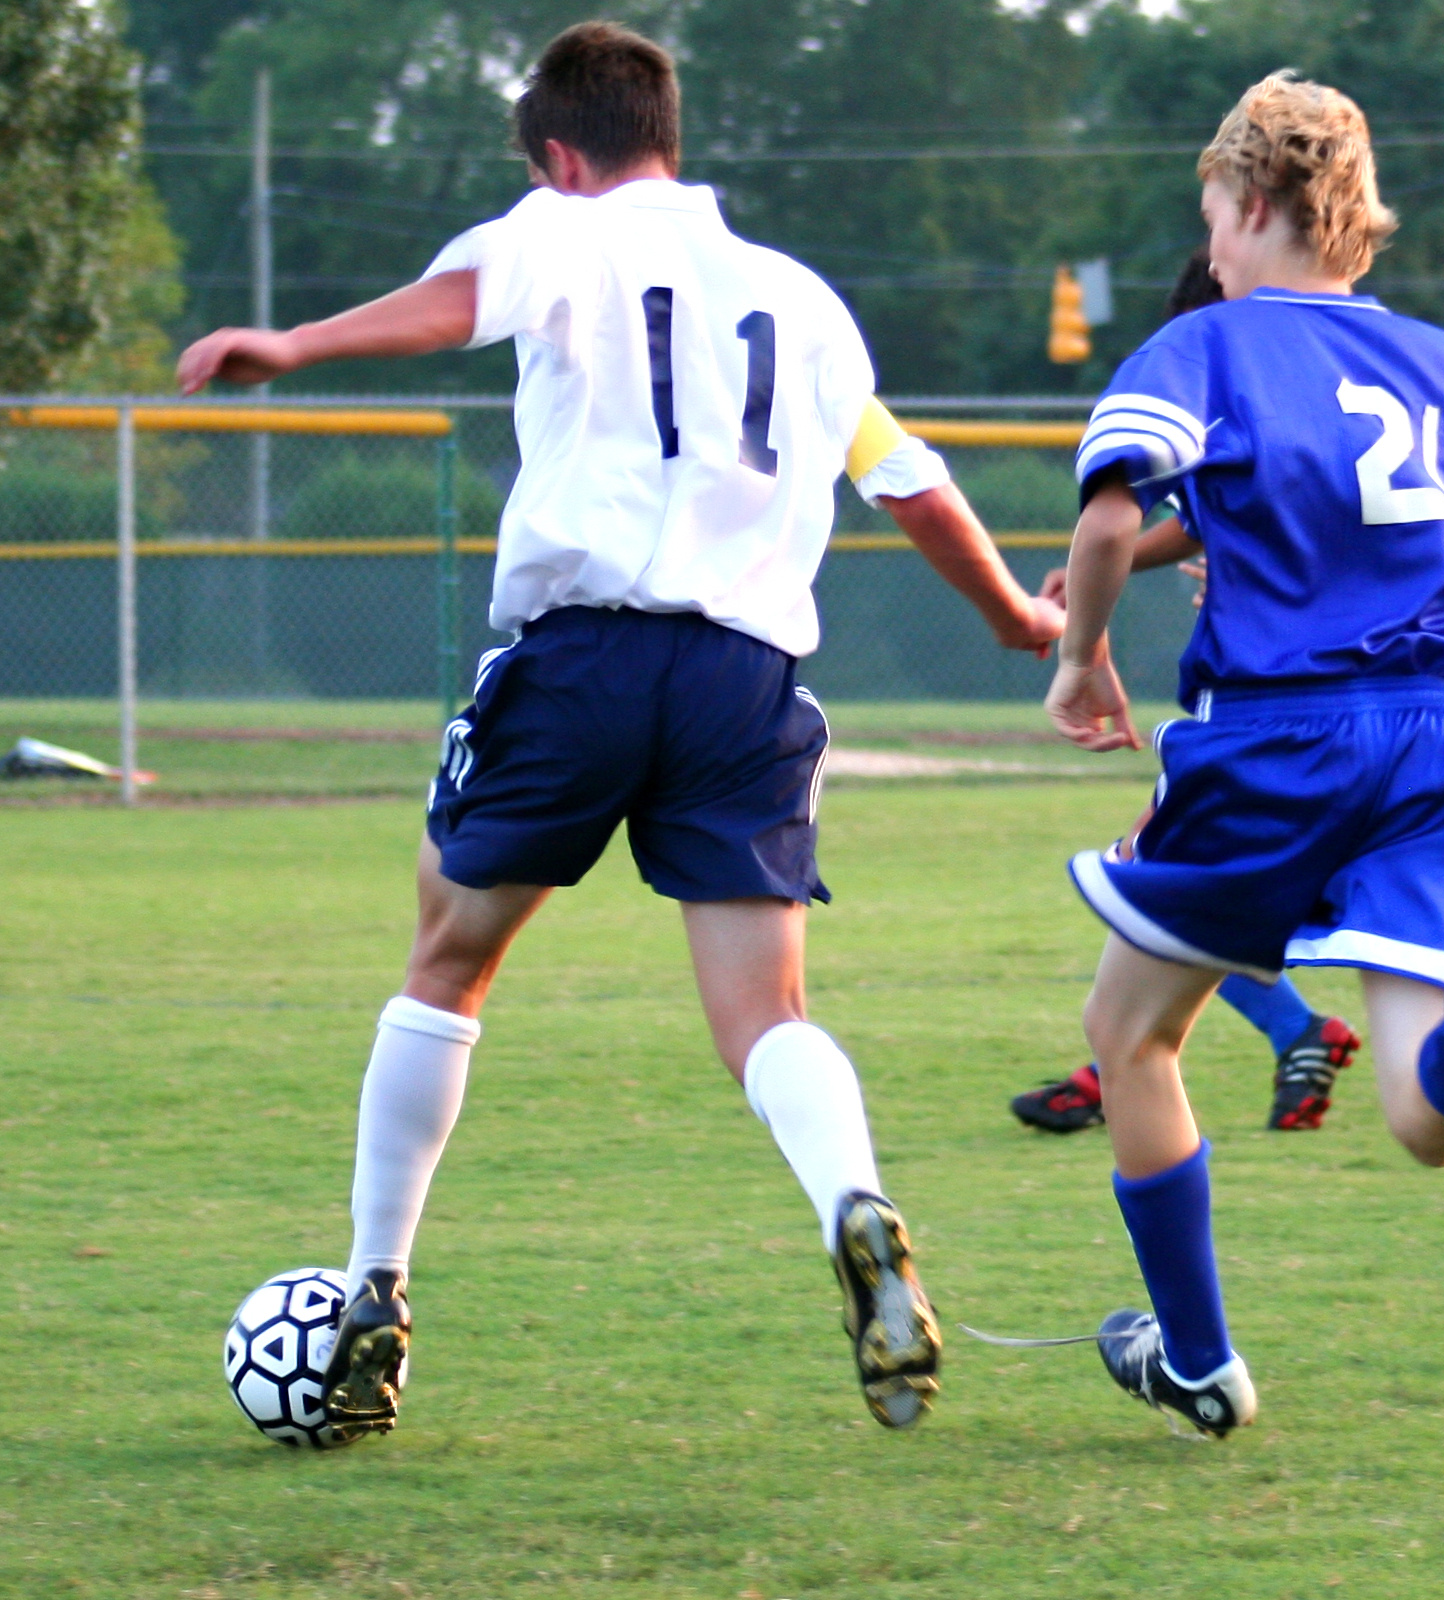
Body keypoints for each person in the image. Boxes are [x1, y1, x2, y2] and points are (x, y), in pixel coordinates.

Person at [177, 22, 1064, 1436]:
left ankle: (374, 1295)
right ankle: (856, 1204)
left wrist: (296, 340)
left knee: (448, 957)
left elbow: (463, 289)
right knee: (766, 1013)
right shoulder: (800, 299)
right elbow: (910, 486)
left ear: (560, 156)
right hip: (746, 681)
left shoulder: (564, 230)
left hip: (584, 655)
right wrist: (1022, 619)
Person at [1041, 70, 1444, 1439]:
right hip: (1441, 757)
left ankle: (1200, 1359)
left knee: (1129, 1032)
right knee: (1424, 1118)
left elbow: (1108, 528)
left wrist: (1075, 656)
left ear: (1255, 200)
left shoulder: (1207, 349)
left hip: (1279, 742)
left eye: (1214, 214)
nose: (1209, 247)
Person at [1014, 246, 1360, 1137]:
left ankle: (1150, 1058)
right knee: (1180, 879)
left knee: (1168, 879)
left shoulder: (1232, 372)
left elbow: (1156, 518)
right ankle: (1140, 1057)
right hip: (1369, 711)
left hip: (1281, 705)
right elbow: (1199, 523)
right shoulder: (1335, 377)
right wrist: (1107, 562)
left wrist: (1104, 583)